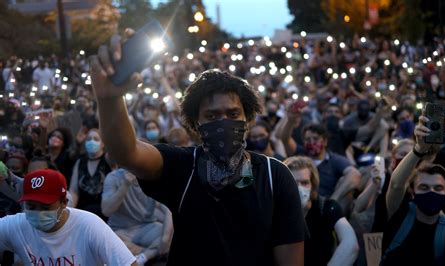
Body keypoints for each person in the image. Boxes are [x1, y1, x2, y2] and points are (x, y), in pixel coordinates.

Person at [90, 33, 307, 265]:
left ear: (248, 120)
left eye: (233, 114)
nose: (223, 122)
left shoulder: (275, 176)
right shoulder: (183, 166)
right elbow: (127, 153)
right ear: (196, 124)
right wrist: (110, 99)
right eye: (212, 116)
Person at [381, 115, 445, 265]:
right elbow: (396, 185)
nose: (431, 192)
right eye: (424, 187)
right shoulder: (401, 214)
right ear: (412, 191)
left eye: (438, 188)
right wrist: (418, 149)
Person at [0, 169, 137, 265]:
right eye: (31, 206)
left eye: (46, 207)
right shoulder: (16, 225)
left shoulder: (90, 225)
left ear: (64, 203)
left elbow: (128, 263)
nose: (38, 213)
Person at [284, 156, 359, 266]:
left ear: (313, 185)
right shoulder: (275, 211)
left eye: (304, 183)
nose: (299, 188)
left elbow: (351, 244)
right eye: (293, 183)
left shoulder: (326, 207)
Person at [101, 157, 173, 265]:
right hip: (120, 230)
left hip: (146, 227)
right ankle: (149, 253)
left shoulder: (153, 178)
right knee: (107, 243)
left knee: (172, 237)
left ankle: (144, 256)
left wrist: (165, 238)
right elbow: (106, 211)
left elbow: (169, 208)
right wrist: (125, 185)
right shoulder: (113, 177)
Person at [276, 120, 361, 212]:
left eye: (316, 139)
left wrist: (333, 200)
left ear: (325, 141)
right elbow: (285, 139)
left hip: (325, 207)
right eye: (308, 139)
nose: (312, 142)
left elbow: (354, 174)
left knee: (345, 183)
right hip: (300, 204)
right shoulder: (299, 155)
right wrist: (291, 118)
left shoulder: (334, 160)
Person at [69, 128, 111, 219]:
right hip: (83, 212)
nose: (92, 141)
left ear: (103, 143)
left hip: (105, 212)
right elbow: (73, 190)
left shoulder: (108, 161)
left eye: (96, 139)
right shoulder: (80, 162)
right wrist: (69, 211)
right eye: (89, 139)